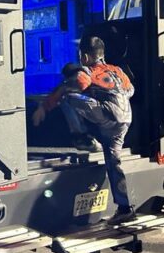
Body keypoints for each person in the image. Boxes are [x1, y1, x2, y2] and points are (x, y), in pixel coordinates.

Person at [32, 35, 136, 223]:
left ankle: (82, 137)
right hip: (125, 121)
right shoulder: (118, 70)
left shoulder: (87, 72)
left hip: (107, 116)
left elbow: (71, 87)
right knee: (114, 163)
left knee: (68, 97)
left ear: (85, 57)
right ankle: (125, 208)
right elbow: (130, 90)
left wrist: (43, 107)